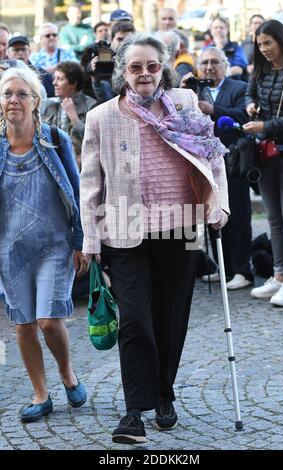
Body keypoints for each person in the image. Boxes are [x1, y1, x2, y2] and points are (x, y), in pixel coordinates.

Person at [80, 32, 229, 444]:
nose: (144, 74)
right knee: (135, 320)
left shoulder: (183, 104)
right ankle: (134, 412)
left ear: (162, 68)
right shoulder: (102, 117)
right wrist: (90, 239)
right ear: (123, 72)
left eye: (151, 66)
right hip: (123, 228)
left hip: (180, 223)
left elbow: (211, 155)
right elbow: (90, 183)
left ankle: (164, 394)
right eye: (135, 66)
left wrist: (220, 206)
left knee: (169, 316)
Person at [0, 67, 88, 423]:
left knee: (49, 321)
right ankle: (40, 393)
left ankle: (67, 373)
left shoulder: (54, 139)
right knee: (23, 325)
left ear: (36, 101)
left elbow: (77, 191)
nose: (14, 100)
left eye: (22, 94)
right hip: (10, 250)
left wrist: (81, 239)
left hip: (54, 245)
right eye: (8, 94)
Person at [182, 46, 253, 290]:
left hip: (234, 162)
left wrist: (215, 110)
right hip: (204, 162)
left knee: (239, 218)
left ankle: (243, 269)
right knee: (214, 213)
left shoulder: (239, 88)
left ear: (224, 64)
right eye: (204, 63)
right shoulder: (194, 90)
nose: (209, 67)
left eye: (214, 62)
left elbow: (246, 116)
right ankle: (224, 268)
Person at [243, 19, 283, 306]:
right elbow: (249, 93)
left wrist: (265, 125)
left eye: (268, 42)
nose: (263, 48)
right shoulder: (261, 71)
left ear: (281, 41)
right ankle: (278, 275)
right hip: (266, 154)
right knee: (274, 220)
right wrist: (250, 105)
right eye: (259, 44)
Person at [42, 61, 97, 168]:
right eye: (55, 78)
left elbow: (93, 141)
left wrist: (74, 117)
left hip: (81, 167)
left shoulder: (91, 106)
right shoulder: (49, 105)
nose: (54, 83)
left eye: (60, 79)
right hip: (53, 165)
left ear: (73, 83)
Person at [209, 16, 248, 80]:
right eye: (216, 28)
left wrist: (219, 75)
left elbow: (239, 69)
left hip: (234, 84)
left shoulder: (236, 47)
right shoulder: (208, 49)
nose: (219, 30)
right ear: (211, 31)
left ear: (227, 29)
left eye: (221, 27)